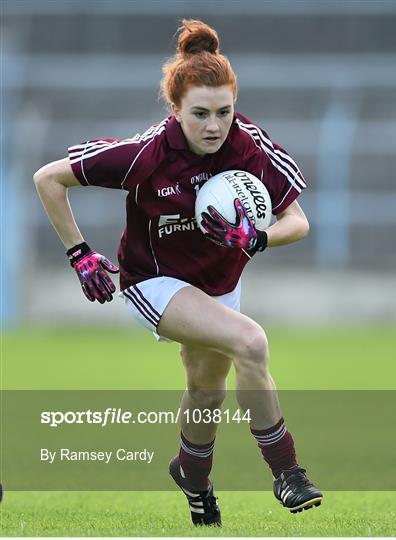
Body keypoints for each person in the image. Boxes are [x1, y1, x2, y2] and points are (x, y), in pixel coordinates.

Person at [34, 19, 322, 527]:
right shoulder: (147, 155)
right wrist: (80, 254)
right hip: (154, 281)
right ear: (175, 111)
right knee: (251, 343)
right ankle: (288, 472)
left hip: (220, 283)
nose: (214, 126)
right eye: (200, 114)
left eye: (224, 112)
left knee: (206, 388)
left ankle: (193, 476)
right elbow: (48, 178)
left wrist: (256, 238)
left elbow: (296, 221)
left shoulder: (249, 145)